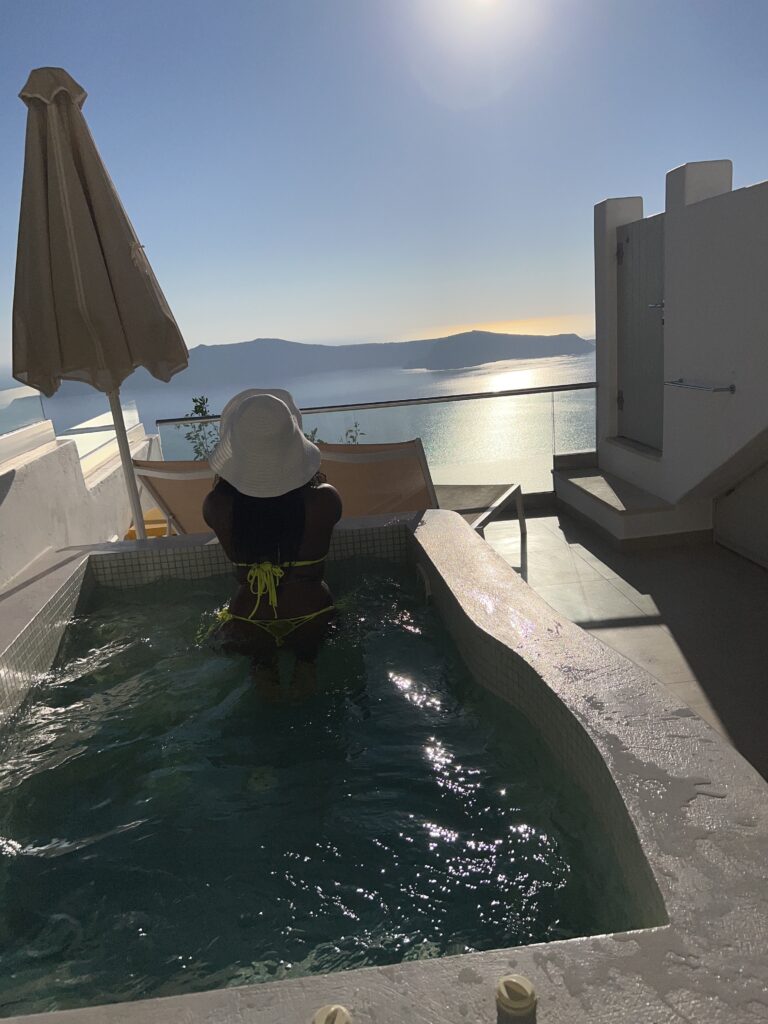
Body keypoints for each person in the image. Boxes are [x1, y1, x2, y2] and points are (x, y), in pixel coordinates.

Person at [203, 391, 342, 696]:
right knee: (309, 664)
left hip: (249, 618)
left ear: (237, 450)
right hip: (311, 614)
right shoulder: (325, 501)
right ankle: (306, 664)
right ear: (293, 446)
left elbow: (261, 512)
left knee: (261, 669)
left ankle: (263, 666)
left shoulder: (217, 506)